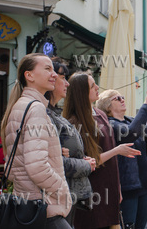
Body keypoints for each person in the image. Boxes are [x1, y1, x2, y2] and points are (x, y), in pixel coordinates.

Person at [0, 53, 72, 228]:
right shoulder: (36, 108)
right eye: (47, 69)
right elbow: (36, 166)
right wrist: (62, 190)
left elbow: (12, 169)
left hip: (27, 205)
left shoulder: (20, 106)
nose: (54, 74)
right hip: (44, 207)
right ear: (29, 75)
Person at [63, 73, 141, 229]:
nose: (97, 87)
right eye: (92, 86)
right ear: (81, 92)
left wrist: (117, 187)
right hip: (91, 192)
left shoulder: (100, 114)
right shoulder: (74, 122)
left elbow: (111, 160)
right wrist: (117, 150)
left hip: (109, 188)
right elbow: (87, 162)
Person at [97, 88, 147, 229]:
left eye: (123, 97)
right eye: (117, 98)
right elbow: (130, 133)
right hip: (127, 188)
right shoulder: (109, 125)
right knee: (127, 226)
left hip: (144, 186)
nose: (122, 100)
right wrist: (146, 106)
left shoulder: (130, 121)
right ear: (107, 106)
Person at [44, 59, 96, 226]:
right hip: (55, 198)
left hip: (68, 196)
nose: (67, 84)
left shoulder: (56, 115)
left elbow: (64, 156)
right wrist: (86, 165)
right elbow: (55, 162)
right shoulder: (45, 115)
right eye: (63, 78)